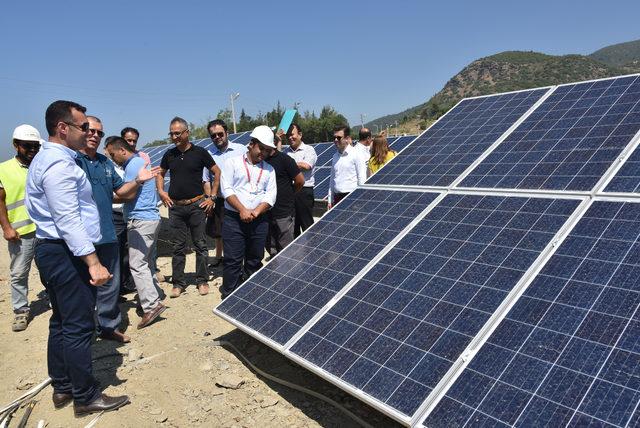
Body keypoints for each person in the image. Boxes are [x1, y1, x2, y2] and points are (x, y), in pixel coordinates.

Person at [26, 100, 129, 416]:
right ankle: (85, 396)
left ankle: (62, 386)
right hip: (65, 253)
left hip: (53, 251)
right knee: (78, 326)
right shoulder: (59, 166)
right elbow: (68, 219)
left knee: (61, 321)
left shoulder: (49, 159)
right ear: (62, 128)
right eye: (83, 127)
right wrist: (93, 262)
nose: (89, 132)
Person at [76, 116, 158, 343]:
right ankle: (84, 330)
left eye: (99, 132)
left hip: (107, 232)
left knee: (110, 283)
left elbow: (122, 192)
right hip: (81, 234)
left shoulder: (104, 164)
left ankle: (108, 327)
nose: (94, 135)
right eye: (89, 130)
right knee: (83, 284)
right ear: (80, 131)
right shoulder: (72, 161)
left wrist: (139, 181)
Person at [105, 137, 166, 329]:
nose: (113, 159)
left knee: (137, 264)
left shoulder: (132, 167)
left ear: (122, 150)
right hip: (150, 219)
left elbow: (127, 194)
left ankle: (151, 305)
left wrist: (104, 195)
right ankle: (152, 296)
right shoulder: (140, 162)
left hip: (140, 221)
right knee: (146, 262)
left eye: (113, 154)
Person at [156, 117, 219, 298]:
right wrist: (161, 191)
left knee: (200, 245)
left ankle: (202, 280)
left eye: (177, 133)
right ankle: (178, 283)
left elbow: (216, 172)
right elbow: (160, 174)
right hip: (175, 207)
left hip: (197, 205)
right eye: (172, 133)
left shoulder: (200, 153)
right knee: (178, 247)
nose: (174, 136)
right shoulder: (169, 155)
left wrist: (212, 197)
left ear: (186, 133)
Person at [219, 125, 277, 299]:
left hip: (259, 221)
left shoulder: (269, 169)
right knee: (233, 261)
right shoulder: (232, 163)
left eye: (267, 150)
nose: (264, 153)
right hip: (234, 220)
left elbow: (271, 194)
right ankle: (230, 297)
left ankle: (251, 295)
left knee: (254, 259)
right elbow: (226, 189)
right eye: (262, 148)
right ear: (251, 144)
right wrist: (242, 210)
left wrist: (257, 211)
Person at [0, 125, 42, 331]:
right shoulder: (3, 169)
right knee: (19, 273)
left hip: (45, 230)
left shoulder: (41, 165)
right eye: (28, 146)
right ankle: (21, 310)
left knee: (51, 268)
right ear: (16, 145)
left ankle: (57, 300)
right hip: (20, 233)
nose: (32, 150)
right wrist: (6, 227)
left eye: (36, 146)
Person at [202, 119, 246, 268]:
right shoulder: (208, 154)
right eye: (213, 135)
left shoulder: (241, 150)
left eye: (220, 134)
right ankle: (220, 258)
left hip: (240, 200)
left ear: (227, 133)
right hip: (219, 200)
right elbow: (206, 180)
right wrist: (209, 200)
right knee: (219, 232)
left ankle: (241, 261)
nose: (217, 137)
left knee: (240, 232)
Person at [265, 134, 304, 257]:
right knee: (271, 248)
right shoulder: (261, 161)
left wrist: (290, 194)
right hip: (266, 212)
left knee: (286, 250)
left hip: (283, 212)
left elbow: (300, 181)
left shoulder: (285, 160)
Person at [283, 123, 317, 237]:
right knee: (292, 226)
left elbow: (306, 166)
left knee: (307, 225)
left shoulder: (309, 150)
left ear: (300, 135)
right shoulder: (285, 152)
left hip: (304, 191)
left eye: (292, 134)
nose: (290, 137)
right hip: (290, 191)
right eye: (288, 135)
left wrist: (288, 165)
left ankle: (312, 250)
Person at [328, 125, 366, 207]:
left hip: (352, 197)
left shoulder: (356, 154)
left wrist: (360, 199)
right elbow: (332, 179)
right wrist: (330, 200)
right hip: (337, 198)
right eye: (334, 137)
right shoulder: (335, 156)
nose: (335, 140)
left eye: (339, 138)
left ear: (347, 138)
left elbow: (361, 177)